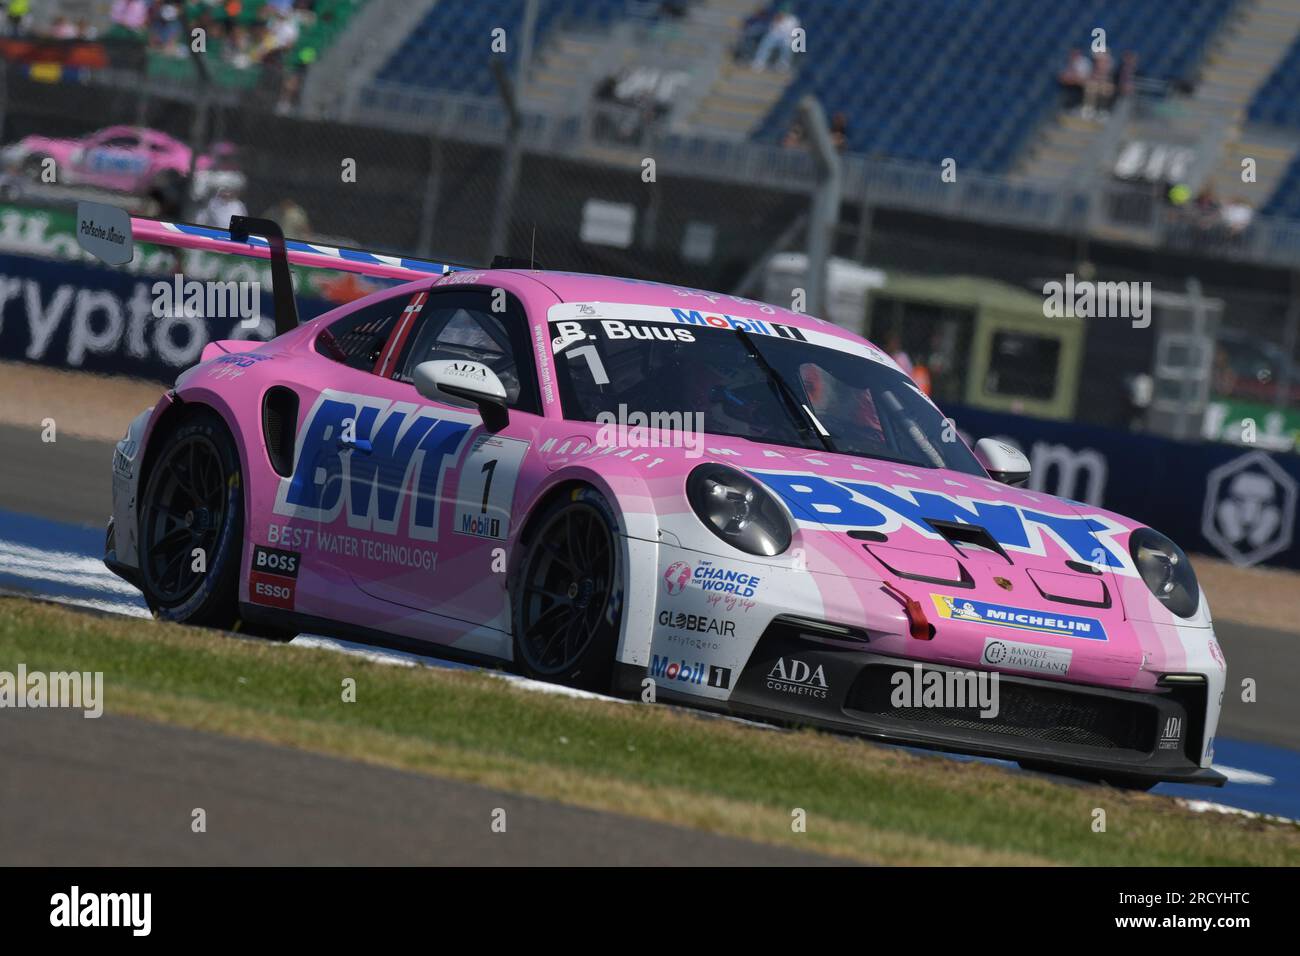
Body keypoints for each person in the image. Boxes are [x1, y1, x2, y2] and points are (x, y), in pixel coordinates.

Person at [752, 4, 799, 73]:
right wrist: (777, 21)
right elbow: (772, 31)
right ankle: (759, 62)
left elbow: (794, 33)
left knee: (787, 44)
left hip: (786, 38)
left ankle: (783, 64)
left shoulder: (793, 20)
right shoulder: (777, 18)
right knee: (767, 41)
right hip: (776, 37)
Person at [1081, 50, 1113, 119]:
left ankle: (1103, 111)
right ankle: (1088, 110)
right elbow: (1091, 77)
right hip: (1094, 84)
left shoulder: (1108, 67)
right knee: (1091, 87)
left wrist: (1101, 82)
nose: (1101, 62)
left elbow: (1107, 79)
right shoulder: (1093, 66)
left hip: (1103, 84)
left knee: (1106, 89)